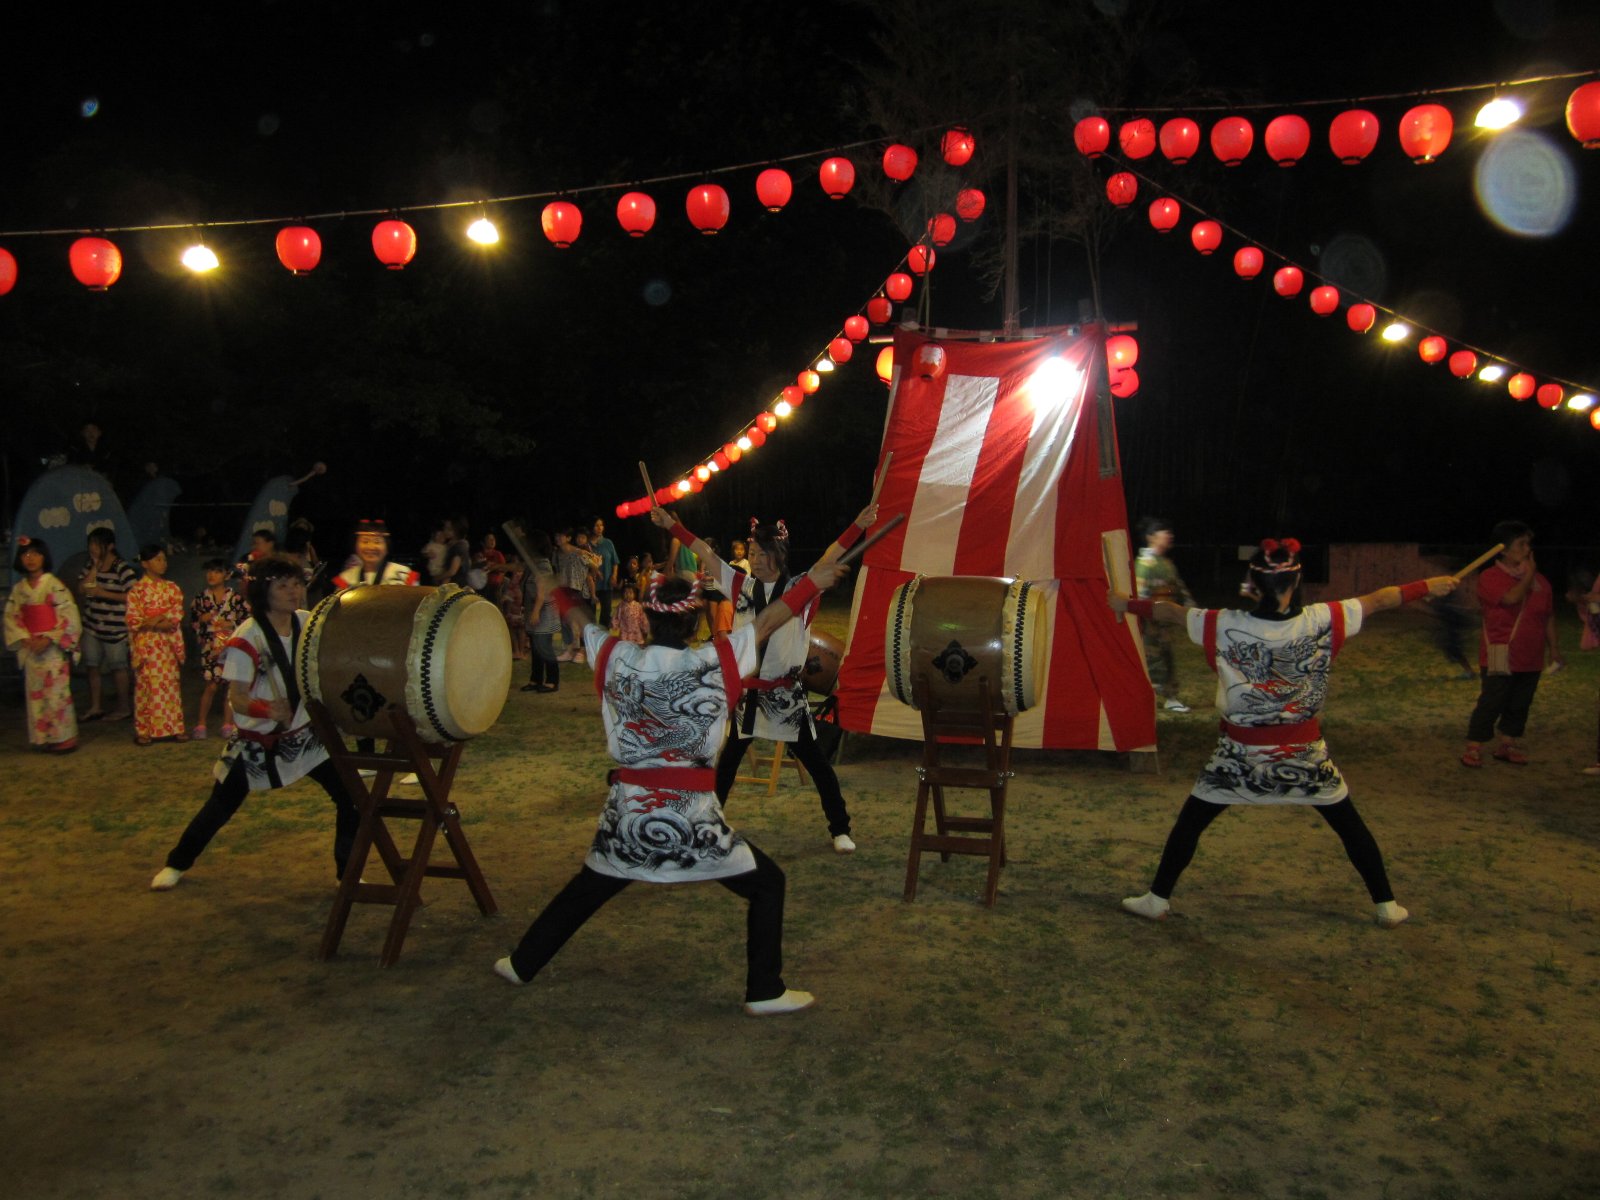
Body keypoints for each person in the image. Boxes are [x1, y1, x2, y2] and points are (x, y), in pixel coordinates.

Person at [493, 556, 852, 1015]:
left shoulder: (616, 657)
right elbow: (766, 622)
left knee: (591, 885)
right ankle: (764, 989)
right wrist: (812, 583)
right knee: (768, 884)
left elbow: (582, 620)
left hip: (629, 813)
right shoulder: (715, 660)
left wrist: (557, 590)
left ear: (648, 617)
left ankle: (522, 962)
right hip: (693, 818)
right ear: (693, 621)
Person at [1111, 537, 1457, 929]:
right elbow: (1382, 599)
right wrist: (1429, 586)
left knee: (1190, 824)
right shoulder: (1326, 618)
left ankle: (1157, 900)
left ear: (1253, 583)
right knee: (1349, 826)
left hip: (1239, 756)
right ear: (1296, 582)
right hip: (1305, 754)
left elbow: (1169, 612)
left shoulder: (1221, 624)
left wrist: (1126, 604)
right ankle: (1386, 905)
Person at [655, 503, 877, 853]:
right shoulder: (740, 585)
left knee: (818, 765)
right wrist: (672, 525)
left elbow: (829, 557)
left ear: (778, 554)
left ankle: (840, 828)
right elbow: (706, 554)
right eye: (753, 553)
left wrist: (858, 525)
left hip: (785, 697)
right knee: (727, 765)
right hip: (750, 697)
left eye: (761, 553)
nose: (755, 560)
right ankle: (707, 827)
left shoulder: (801, 588)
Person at [150, 556, 360, 891]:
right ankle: (177, 862)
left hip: (304, 738)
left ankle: (347, 874)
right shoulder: (248, 637)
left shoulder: (307, 623)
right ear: (264, 591)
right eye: (283, 586)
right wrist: (266, 710)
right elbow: (237, 698)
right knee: (222, 805)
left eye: (296, 584)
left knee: (351, 796)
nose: (293, 592)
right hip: (257, 742)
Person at [1462, 521, 1561, 768]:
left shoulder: (1541, 582)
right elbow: (1511, 598)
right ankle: (1474, 746)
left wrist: (1554, 649)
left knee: (1520, 703)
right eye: (1521, 544)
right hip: (1500, 652)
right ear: (1503, 550)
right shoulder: (1490, 577)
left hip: (1531, 656)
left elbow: (1548, 616)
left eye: (1529, 544)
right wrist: (1529, 575)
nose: (1527, 549)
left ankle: (1507, 745)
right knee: (1492, 701)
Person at [3, 536, 81, 753]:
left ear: (44, 557)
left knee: (57, 693)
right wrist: (25, 638)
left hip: (52, 646)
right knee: (36, 693)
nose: (31, 559)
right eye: (26, 554)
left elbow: (68, 613)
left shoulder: (54, 585)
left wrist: (49, 638)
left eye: (36, 554)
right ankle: (44, 737)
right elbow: (11, 617)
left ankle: (64, 738)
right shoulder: (19, 589)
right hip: (30, 646)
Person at [126, 544, 188, 745]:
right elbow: (133, 619)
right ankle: (144, 730)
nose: (163, 563)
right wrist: (154, 620)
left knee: (170, 686)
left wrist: (158, 620)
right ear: (145, 563)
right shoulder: (136, 591)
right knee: (146, 687)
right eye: (158, 559)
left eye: (164, 559)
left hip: (166, 644)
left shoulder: (172, 588)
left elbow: (176, 614)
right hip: (147, 644)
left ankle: (175, 727)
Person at [1135, 517, 1196, 713]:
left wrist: (1191, 610)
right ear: (1151, 537)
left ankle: (1168, 696)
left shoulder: (1166, 563)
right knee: (1152, 659)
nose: (1169, 536)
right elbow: (1140, 593)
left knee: (1166, 656)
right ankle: (1154, 697)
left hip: (1164, 620)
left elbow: (1179, 588)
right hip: (1150, 621)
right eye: (1165, 532)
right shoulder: (1144, 564)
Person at [78, 527, 136, 722]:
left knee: (118, 667)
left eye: (97, 544)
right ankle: (95, 706)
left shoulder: (122, 567)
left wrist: (103, 593)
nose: (93, 548)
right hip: (92, 624)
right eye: (91, 544)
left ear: (110, 546)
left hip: (115, 628)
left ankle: (123, 706)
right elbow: (81, 588)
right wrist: (94, 568)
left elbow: (134, 596)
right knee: (92, 665)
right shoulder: (90, 565)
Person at [189, 557, 248, 740]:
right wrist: (202, 620)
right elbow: (193, 621)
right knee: (211, 685)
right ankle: (201, 724)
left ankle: (227, 724)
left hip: (231, 646)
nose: (211, 575)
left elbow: (246, 620)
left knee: (230, 686)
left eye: (217, 571)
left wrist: (231, 624)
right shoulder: (200, 599)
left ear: (226, 575)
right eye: (209, 571)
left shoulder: (236, 598)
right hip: (210, 647)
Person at [519, 529, 562, 693]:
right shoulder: (533, 564)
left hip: (544, 612)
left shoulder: (543, 565)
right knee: (536, 648)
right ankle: (535, 679)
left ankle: (552, 681)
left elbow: (542, 592)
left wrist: (536, 611)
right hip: (535, 610)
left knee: (544, 647)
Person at [332, 518, 421, 590]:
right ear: (356, 546)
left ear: (387, 547)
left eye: (377, 542)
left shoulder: (404, 575)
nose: (371, 547)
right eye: (365, 541)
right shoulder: (346, 579)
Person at [589, 517, 619, 628]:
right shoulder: (586, 545)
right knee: (590, 615)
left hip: (606, 584)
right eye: (596, 525)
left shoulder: (608, 543)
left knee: (606, 613)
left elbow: (615, 562)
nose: (599, 528)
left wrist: (614, 575)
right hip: (590, 585)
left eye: (601, 525)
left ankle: (604, 636)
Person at [439, 517, 471, 588]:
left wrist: (438, 577)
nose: (445, 531)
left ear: (457, 531)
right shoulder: (450, 544)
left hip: (455, 586)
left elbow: (452, 571)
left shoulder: (460, 546)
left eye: (449, 529)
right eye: (445, 528)